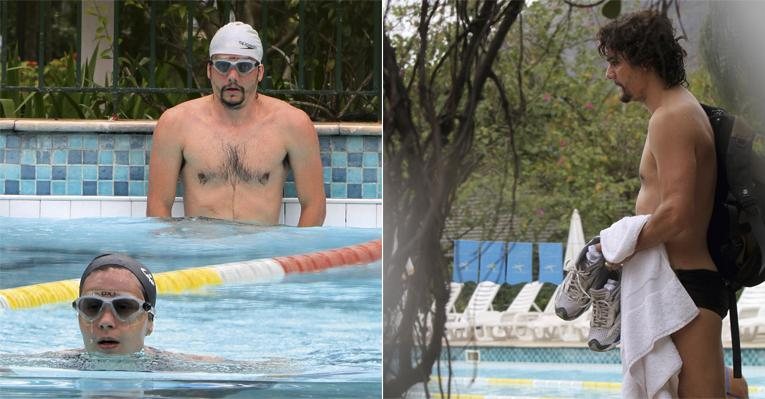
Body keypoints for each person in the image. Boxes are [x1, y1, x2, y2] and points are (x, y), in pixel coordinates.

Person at [596, 10, 743, 397]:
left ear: (644, 61)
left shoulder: (672, 118)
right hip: (683, 285)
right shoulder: (677, 111)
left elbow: (677, 215)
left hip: (685, 288)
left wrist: (618, 249)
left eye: (615, 62)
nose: (609, 73)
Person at [147, 21, 326, 226]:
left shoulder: (292, 124)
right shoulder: (176, 124)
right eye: (223, 66)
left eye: (244, 67)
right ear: (209, 70)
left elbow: (315, 206)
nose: (232, 77)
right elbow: (158, 207)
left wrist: (295, 257)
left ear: (259, 72)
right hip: (202, 254)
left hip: (263, 255)